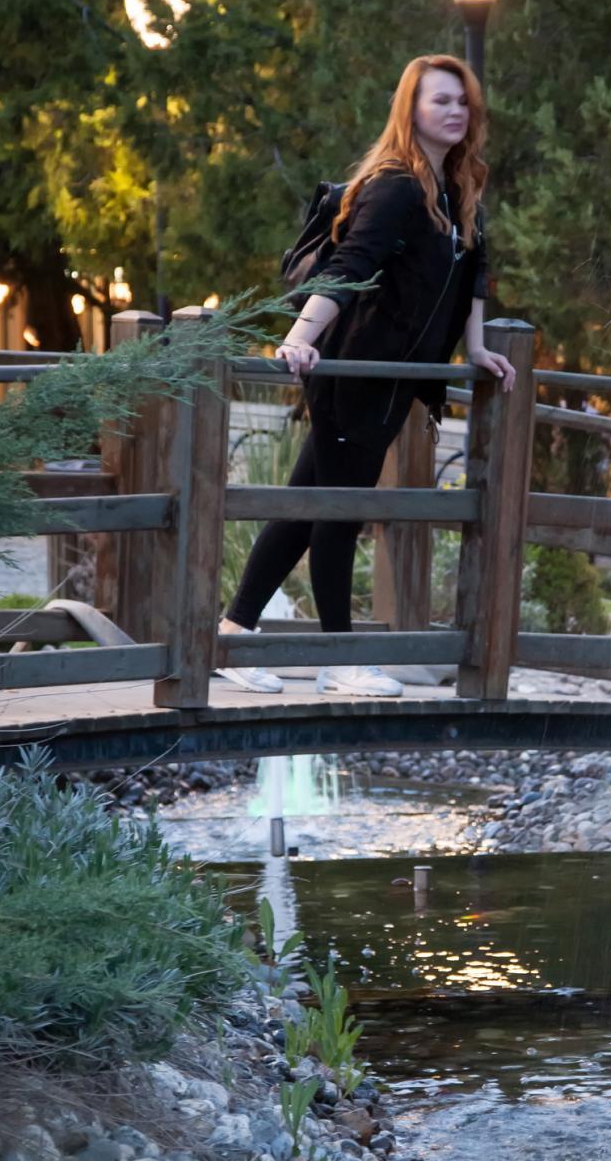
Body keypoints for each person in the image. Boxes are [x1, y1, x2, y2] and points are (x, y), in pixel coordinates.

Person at [220, 53, 517, 698]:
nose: (455, 111)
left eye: (462, 101)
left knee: (305, 508)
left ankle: (233, 636)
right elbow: (349, 267)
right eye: (440, 100)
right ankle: (340, 658)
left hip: (389, 382)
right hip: (354, 372)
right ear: (411, 108)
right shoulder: (396, 185)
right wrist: (299, 338)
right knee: (339, 513)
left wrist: (477, 348)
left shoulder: (457, 188)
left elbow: (473, 275)